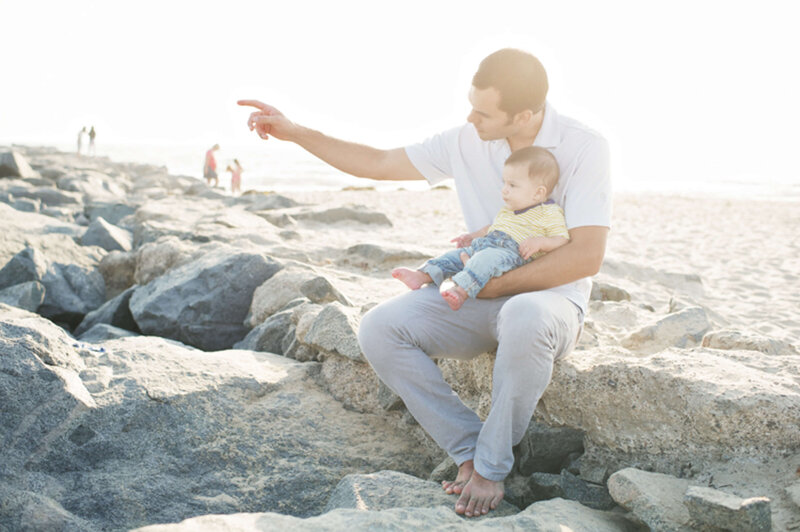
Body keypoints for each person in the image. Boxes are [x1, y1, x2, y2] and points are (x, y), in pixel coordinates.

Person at [239, 48, 610, 518]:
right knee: (380, 327)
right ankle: (469, 450)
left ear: (526, 115)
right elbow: (379, 161)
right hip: (475, 292)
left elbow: (586, 256)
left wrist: (494, 287)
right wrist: (294, 133)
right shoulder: (466, 140)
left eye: (483, 111)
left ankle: (493, 469)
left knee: (525, 312)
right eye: (471, 104)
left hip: (548, 304)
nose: (470, 117)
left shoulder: (583, 146)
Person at [393, 146, 569, 311]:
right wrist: (472, 236)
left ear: (538, 192)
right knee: (453, 257)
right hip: (484, 244)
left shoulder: (549, 212)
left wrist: (541, 242)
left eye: (512, 185)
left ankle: (461, 291)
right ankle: (422, 275)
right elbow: (492, 228)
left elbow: (562, 238)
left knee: (484, 260)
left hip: (510, 255)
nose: (504, 190)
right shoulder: (508, 210)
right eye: (504, 183)